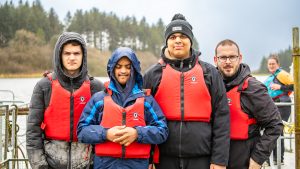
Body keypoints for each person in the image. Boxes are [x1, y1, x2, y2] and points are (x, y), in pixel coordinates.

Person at [143, 13, 230, 169]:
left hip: (202, 158)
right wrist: (147, 159)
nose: (178, 40)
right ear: (167, 41)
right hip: (163, 159)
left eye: (183, 36)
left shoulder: (209, 73)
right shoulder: (152, 75)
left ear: (190, 40)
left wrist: (219, 160)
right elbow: (144, 119)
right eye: (173, 36)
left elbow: (221, 118)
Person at [77, 47, 168, 169]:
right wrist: (106, 133)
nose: (123, 71)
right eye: (118, 66)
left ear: (135, 69)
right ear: (112, 69)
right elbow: (82, 131)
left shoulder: (147, 101)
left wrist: (137, 133)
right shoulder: (99, 100)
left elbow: (162, 131)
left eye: (128, 66)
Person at [26, 32, 104, 169]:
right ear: (59, 56)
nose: (72, 58)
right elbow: (33, 132)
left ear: (83, 56)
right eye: (67, 53)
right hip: (50, 163)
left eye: (76, 53)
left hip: (87, 163)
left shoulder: (95, 87)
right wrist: (41, 166)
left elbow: (103, 130)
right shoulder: (44, 86)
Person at [214, 39, 283, 169]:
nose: (228, 62)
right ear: (215, 59)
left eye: (232, 57)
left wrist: (257, 159)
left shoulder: (253, 88)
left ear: (239, 58)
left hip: (244, 158)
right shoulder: (211, 85)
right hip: (216, 160)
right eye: (223, 57)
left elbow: (275, 125)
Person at [264, 54, 294, 165]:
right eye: (269, 64)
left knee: (277, 131)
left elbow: (295, 86)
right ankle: (273, 159)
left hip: (282, 105)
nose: (271, 66)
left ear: (278, 65)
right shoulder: (272, 76)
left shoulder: (282, 74)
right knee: (273, 131)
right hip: (273, 106)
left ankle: (278, 159)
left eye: (273, 64)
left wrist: (280, 87)